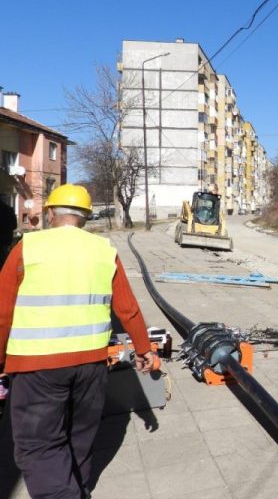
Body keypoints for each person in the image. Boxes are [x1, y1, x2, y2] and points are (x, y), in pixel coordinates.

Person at [0, 184, 157, 499]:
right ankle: (80, 487)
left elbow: (3, 311)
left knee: (39, 446)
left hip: (36, 367)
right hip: (91, 367)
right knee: (81, 435)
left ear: (50, 213)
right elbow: (127, 308)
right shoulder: (104, 250)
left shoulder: (28, 247)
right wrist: (144, 350)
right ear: (85, 217)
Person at [0, 198, 16, 268]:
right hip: (5, 241)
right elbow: (14, 226)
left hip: (4, 241)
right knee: (4, 263)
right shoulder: (9, 210)